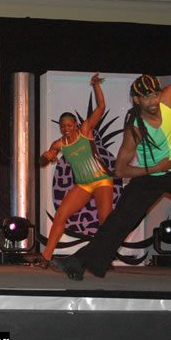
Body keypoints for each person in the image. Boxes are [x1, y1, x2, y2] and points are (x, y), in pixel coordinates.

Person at [50, 31, 171, 282]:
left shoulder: (165, 100)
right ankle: (78, 262)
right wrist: (154, 169)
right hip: (148, 177)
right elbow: (120, 170)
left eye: (154, 94)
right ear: (136, 99)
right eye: (146, 97)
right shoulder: (134, 128)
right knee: (119, 223)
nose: (152, 101)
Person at [36, 73, 113, 267]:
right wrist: (46, 156)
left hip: (102, 180)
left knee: (105, 219)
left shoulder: (86, 131)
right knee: (61, 215)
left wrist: (96, 86)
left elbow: (101, 108)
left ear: (75, 125)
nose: (66, 129)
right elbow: (42, 162)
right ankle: (46, 257)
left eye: (69, 126)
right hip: (84, 185)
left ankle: (106, 257)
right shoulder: (59, 144)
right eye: (63, 127)